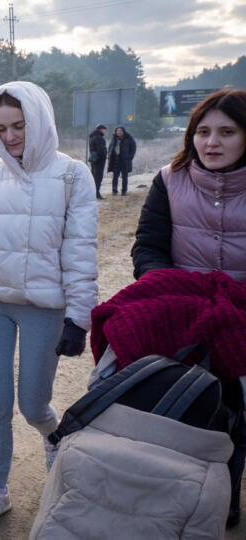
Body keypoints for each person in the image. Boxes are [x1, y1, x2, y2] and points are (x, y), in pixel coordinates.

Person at [0, 81, 98, 530]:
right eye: (1, 128)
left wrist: (79, 317)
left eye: (19, 125)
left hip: (44, 308)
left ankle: (53, 436)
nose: (11, 136)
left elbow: (80, 249)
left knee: (33, 405)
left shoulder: (74, 175)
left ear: (38, 120)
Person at [131, 87, 246, 528]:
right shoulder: (170, 178)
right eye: (202, 132)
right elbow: (148, 246)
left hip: (241, 317)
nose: (211, 142)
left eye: (227, 132)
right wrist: (167, 290)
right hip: (183, 314)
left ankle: (228, 494)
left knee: (237, 412)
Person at [107, 125, 136, 196]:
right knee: (115, 176)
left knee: (124, 177)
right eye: (117, 131)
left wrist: (129, 157)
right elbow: (110, 147)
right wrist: (109, 155)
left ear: (123, 131)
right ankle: (114, 191)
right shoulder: (114, 138)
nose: (119, 132)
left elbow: (133, 148)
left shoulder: (129, 138)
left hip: (124, 160)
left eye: (120, 131)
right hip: (115, 160)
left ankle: (124, 191)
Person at [87, 123, 107, 199]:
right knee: (98, 177)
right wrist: (105, 155)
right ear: (100, 129)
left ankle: (94, 193)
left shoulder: (92, 137)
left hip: (94, 159)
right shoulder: (99, 138)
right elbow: (100, 150)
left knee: (94, 176)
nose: (105, 132)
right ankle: (96, 193)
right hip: (99, 160)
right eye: (104, 130)